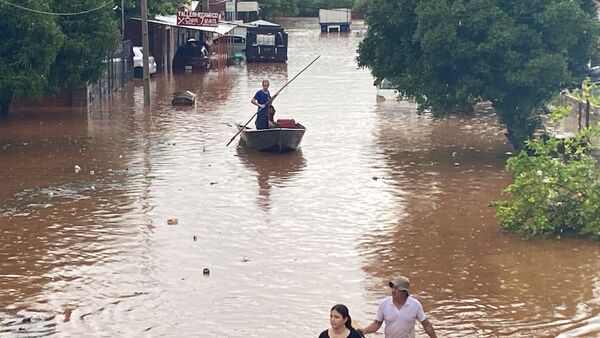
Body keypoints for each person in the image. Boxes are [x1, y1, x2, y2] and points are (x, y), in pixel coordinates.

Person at [357, 276, 437, 338]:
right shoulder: (384, 304)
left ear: (404, 291)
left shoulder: (415, 305)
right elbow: (377, 323)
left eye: (396, 288)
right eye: (392, 287)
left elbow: (426, 324)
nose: (393, 290)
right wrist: (364, 331)